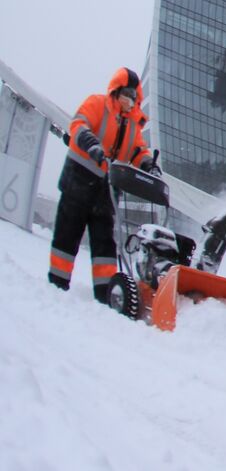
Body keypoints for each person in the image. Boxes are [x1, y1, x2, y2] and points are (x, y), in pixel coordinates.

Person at [47, 67, 157, 301]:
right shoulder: (97, 104)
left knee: (105, 245)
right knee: (67, 235)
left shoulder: (132, 125)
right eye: (127, 94)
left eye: (134, 97)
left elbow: (139, 150)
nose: (131, 100)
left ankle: (106, 294)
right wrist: (93, 146)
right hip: (78, 182)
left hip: (106, 192)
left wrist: (149, 165)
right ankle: (57, 284)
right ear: (117, 92)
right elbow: (79, 125)